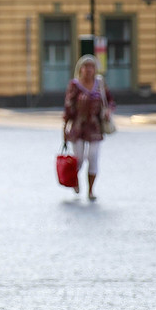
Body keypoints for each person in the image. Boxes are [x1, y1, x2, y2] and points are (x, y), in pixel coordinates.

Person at [62, 54, 113, 202]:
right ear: (80, 69)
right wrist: (65, 128)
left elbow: (110, 100)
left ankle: (91, 190)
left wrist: (108, 111)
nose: (89, 70)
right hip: (78, 126)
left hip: (95, 127)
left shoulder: (100, 84)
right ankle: (75, 181)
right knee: (79, 159)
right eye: (86, 67)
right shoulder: (75, 85)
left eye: (91, 67)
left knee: (93, 157)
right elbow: (68, 107)